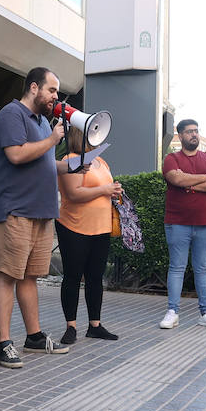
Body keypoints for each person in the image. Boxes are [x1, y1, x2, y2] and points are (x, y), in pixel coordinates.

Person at [0, 67, 73, 366]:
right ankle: (3, 343)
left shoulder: (41, 123)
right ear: (34, 88)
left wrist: (72, 166)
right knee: (7, 274)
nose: (55, 97)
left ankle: (33, 336)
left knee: (30, 277)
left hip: (41, 212)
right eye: (52, 90)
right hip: (15, 211)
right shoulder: (12, 114)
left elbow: (45, 161)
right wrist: (52, 139)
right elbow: (17, 154)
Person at [56, 128, 122, 343]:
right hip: (74, 227)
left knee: (95, 278)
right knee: (73, 277)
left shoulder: (101, 161)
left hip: (101, 228)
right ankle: (71, 326)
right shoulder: (70, 160)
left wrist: (115, 190)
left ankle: (95, 325)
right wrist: (105, 190)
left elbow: (106, 187)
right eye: (91, 133)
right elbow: (74, 194)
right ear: (80, 135)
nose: (96, 136)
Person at [160, 120, 206, 330]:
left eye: (196, 131)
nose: (194, 135)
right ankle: (172, 312)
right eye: (189, 132)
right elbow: (176, 180)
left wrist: (190, 183)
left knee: (202, 269)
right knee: (177, 268)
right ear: (180, 135)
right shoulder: (171, 158)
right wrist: (205, 178)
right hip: (177, 222)